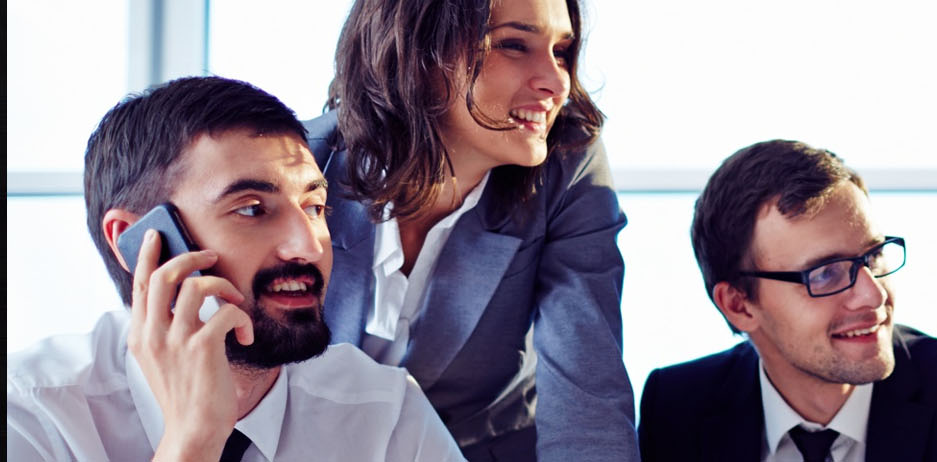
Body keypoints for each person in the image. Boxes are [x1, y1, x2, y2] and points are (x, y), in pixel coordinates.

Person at [7, 76, 461, 461]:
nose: (308, 246)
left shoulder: (386, 414)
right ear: (141, 240)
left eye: (314, 207)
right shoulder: (33, 416)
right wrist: (192, 442)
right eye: (251, 209)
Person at [309, 0, 634, 459]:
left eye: (561, 51)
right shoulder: (299, 165)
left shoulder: (567, 164)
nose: (558, 82)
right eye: (514, 45)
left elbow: (587, 392)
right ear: (418, 53)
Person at [639, 140, 937, 461]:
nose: (874, 294)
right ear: (739, 305)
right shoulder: (677, 411)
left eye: (873, 257)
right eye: (824, 273)